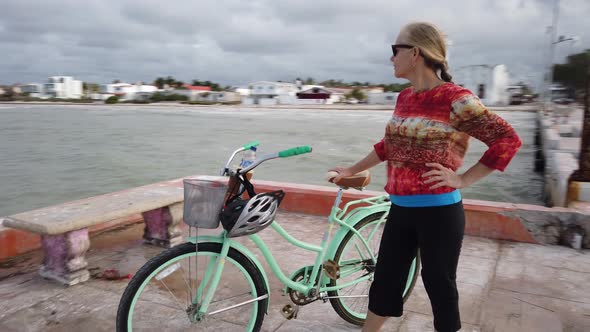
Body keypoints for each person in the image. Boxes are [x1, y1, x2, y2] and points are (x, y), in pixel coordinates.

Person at [330, 22, 522, 332]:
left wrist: (463, 179)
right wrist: (351, 170)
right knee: (386, 280)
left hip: (440, 212)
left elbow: (507, 140)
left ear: (415, 53)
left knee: (439, 286)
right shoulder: (405, 97)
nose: (391, 58)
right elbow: (388, 146)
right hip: (401, 208)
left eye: (395, 50)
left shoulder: (456, 99)